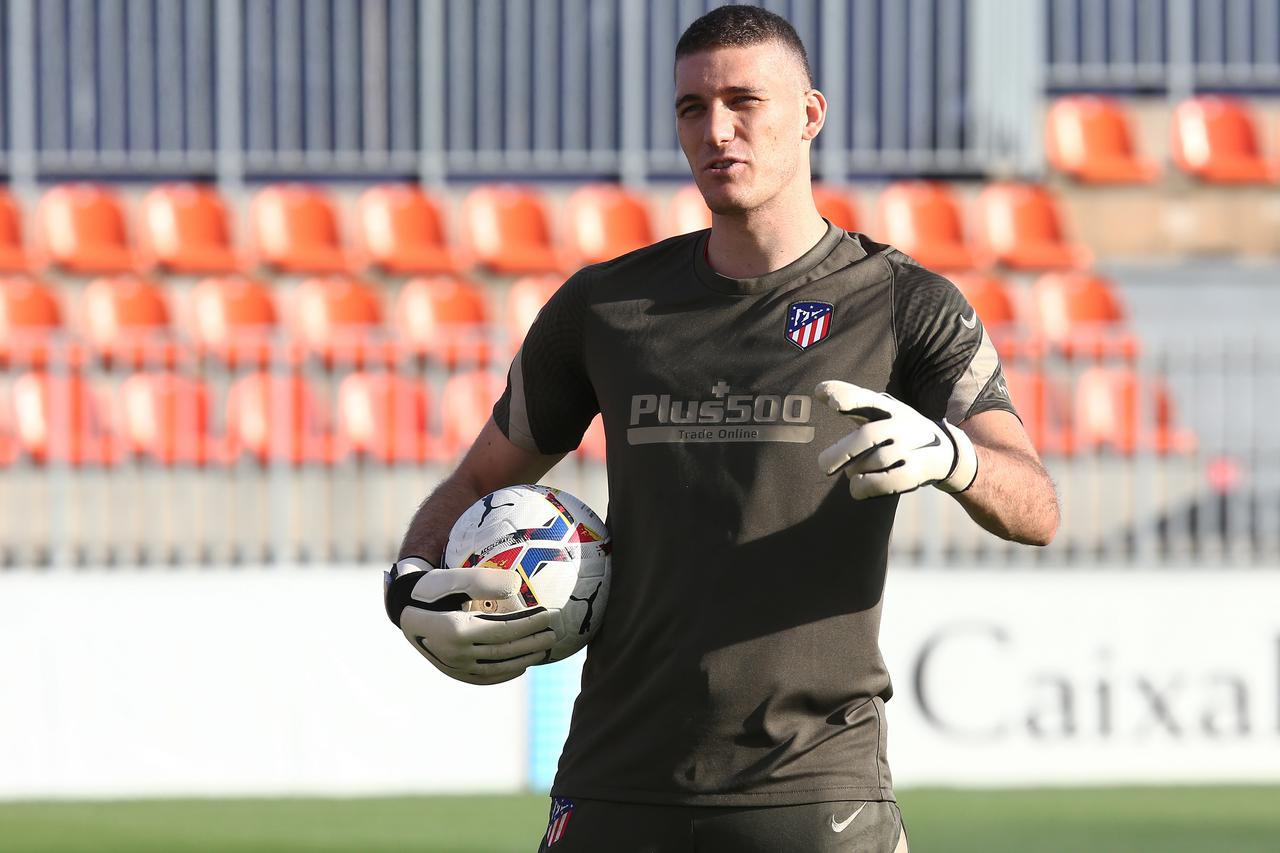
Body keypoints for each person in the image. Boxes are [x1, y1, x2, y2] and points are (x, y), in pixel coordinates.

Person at [383, 5, 1059, 851]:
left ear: (810, 115)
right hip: (615, 783)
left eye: (745, 102)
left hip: (816, 790)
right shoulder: (606, 307)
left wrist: (955, 457)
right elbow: (477, 482)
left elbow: (1036, 505)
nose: (717, 130)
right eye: (692, 108)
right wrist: (408, 580)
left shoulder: (903, 303)